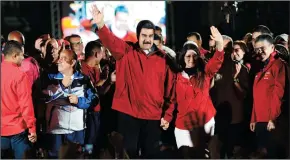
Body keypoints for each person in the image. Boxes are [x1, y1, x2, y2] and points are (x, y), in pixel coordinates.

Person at [91, 5, 176, 158]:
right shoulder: (126, 51)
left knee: (151, 155)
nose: (148, 39)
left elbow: (170, 89)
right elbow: (111, 41)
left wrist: (168, 115)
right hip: (128, 114)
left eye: (150, 36)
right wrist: (101, 25)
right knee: (128, 155)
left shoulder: (163, 59)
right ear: (138, 36)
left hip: (153, 115)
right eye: (144, 35)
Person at [173, 26, 224, 159]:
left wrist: (219, 43)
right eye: (188, 56)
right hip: (183, 126)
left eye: (194, 56)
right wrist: (167, 118)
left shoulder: (204, 74)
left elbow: (217, 60)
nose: (191, 59)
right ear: (183, 56)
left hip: (205, 123)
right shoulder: (176, 77)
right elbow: (171, 100)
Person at [43, 49, 99, 158]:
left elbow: (94, 99)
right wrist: (61, 87)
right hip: (56, 130)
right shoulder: (51, 78)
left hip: (77, 130)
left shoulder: (83, 79)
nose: (59, 61)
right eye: (59, 58)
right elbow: (43, 97)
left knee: (76, 157)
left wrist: (79, 101)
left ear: (72, 62)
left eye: (63, 59)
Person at [211, 40, 249, 158]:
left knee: (232, 150)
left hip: (235, 118)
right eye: (230, 50)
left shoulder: (242, 69)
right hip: (220, 116)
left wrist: (235, 79)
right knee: (219, 149)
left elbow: (243, 94)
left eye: (236, 50)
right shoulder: (219, 67)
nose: (232, 53)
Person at [250, 34, 286, 158]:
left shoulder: (278, 65)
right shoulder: (260, 66)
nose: (260, 52)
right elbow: (256, 94)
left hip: (271, 120)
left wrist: (273, 118)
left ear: (272, 47)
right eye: (257, 49)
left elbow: (278, 94)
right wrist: (253, 117)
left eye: (263, 48)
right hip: (260, 119)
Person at [1, 40, 37, 159]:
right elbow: (26, 105)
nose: (23, 58)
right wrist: (32, 129)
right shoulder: (20, 75)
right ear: (14, 56)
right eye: (22, 55)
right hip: (18, 130)